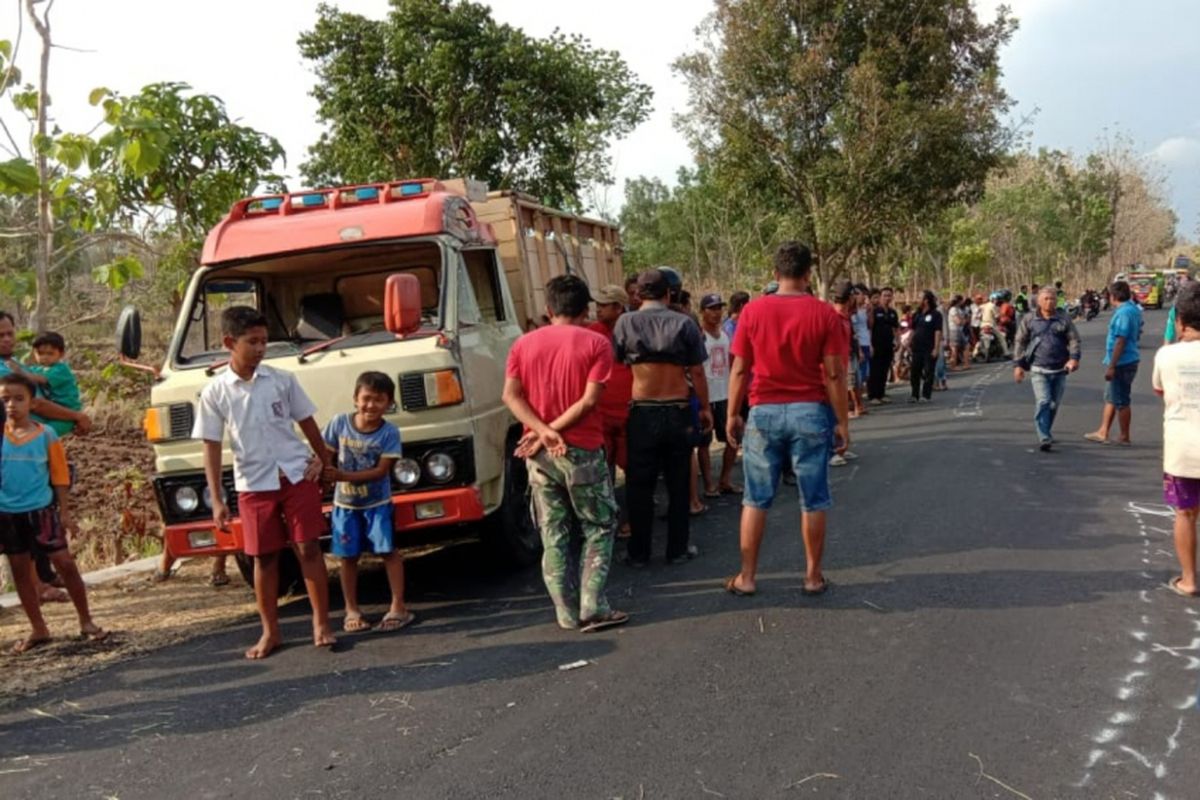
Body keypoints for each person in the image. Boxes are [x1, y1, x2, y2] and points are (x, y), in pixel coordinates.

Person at [195, 306, 335, 659]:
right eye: (252, 342)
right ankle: (270, 632)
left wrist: (325, 460)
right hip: (253, 483)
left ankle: (321, 624)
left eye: (264, 341)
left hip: (295, 473)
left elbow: (307, 422)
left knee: (308, 547)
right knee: (263, 557)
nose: (260, 349)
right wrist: (216, 498)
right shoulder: (215, 392)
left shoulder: (282, 380)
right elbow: (211, 447)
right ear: (230, 342)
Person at [723, 241, 849, 597]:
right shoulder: (824, 314)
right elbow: (834, 374)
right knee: (813, 498)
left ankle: (747, 577)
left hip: (763, 412)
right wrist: (842, 421)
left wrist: (733, 413)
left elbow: (739, 369)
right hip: (810, 411)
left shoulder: (752, 312)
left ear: (776, 274)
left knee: (756, 497)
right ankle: (812, 576)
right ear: (808, 275)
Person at [502, 275, 628, 632]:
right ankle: (593, 605)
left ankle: (565, 613)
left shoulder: (522, 345)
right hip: (584, 450)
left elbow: (510, 396)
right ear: (586, 309)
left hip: (539, 457)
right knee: (599, 525)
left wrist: (541, 433)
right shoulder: (596, 343)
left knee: (553, 531)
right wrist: (551, 432)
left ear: (548, 309)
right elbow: (589, 401)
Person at [0, 373, 106, 653]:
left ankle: (86, 620)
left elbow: (59, 477)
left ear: (32, 403)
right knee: (21, 571)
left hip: (42, 511)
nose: (11, 405)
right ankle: (39, 627)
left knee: (64, 562)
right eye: (5, 399)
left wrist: (65, 512)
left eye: (19, 399)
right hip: (8, 514)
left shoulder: (45, 435)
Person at [613, 269, 711, 567]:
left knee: (639, 483)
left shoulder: (625, 323)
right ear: (669, 293)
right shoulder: (684, 323)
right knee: (678, 481)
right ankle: (677, 550)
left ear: (638, 295)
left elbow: (618, 363)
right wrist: (704, 408)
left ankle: (639, 553)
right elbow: (696, 371)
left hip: (642, 410)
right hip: (677, 410)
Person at [322, 372, 413, 633]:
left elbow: (380, 471)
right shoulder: (339, 423)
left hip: (378, 504)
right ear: (355, 399)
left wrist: (340, 476)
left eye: (379, 400)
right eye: (366, 399)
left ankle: (398, 606)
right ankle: (351, 609)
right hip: (345, 506)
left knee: (388, 552)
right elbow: (324, 453)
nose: (371, 405)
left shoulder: (389, 433)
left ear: (389, 403)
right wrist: (324, 474)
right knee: (348, 557)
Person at [1154, 283, 1200, 596]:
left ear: (1180, 321)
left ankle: (1189, 580)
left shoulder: (1167, 355)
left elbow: (1160, 391)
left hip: (1183, 449)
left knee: (1185, 513)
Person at [1013, 286, 1082, 452]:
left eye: (1052, 298)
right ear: (1038, 301)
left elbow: (1074, 340)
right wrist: (1018, 366)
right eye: (1046, 298)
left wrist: (1074, 358)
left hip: (1060, 369)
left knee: (1053, 404)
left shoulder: (1063, 319)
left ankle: (1046, 429)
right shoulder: (1029, 319)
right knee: (1043, 401)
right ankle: (1043, 435)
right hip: (1038, 369)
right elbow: (1020, 342)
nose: (1049, 302)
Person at [0, 312, 91, 435]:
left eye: (10, 334)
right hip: (20, 437)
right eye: (0, 335)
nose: (7, 339)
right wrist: (77, 416)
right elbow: (36, 404)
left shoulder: (13, 362)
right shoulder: (4, 370)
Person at [1085, 280, 1143, 447]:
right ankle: (1103, 431)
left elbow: (1121, 340)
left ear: (1114, 296)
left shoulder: (1124, 313)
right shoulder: (1132, 309)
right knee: (1111, 397)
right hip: (1127, 359)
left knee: (1122, 400)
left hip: (1122, 361)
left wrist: (1112, 365)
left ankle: (1124, 436)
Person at [697, 293, 739, 497]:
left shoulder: (724, 335)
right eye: (711, 308)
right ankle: (708, 484)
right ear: (702, 312)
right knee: (703, 442)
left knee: (733, 436)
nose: (716, 312)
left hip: (724, 394)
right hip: (706, 396)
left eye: (718, 308)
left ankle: (725, 479)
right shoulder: (698, 336)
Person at [21, 332, 83, 436]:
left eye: (50, 353)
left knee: (45, 435)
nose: (45, 357)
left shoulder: (61, 370)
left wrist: (19, 374)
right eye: (40, 353)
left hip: (66, 413)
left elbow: (41, 379)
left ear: (61, 354)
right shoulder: (37, 369)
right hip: (51, 411)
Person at [907, 291, 942, 403]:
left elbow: (938, 331)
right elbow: (913, 329)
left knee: (928, 372)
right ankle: (914, 394)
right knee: (914, 372)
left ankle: (925, 395)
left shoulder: (936, 314)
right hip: (917, 348)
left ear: (926, 300)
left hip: (929, 348)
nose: (917, 299)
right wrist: (908, 341)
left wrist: (936, 348)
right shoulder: (916, 314)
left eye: (919, 297)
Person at [867, 287, 899, 404]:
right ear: (880, 297)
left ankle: (881, 393)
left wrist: (898, 341)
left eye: (889, 295)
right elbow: (870, 328)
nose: (887, 298)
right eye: (885, 295)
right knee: (875, 370)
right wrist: (870, 344)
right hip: (876, 345)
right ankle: (873, 395)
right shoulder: (875, 311)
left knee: (885, 370)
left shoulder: (892, 312)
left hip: (888, 345)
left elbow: (896, 328)